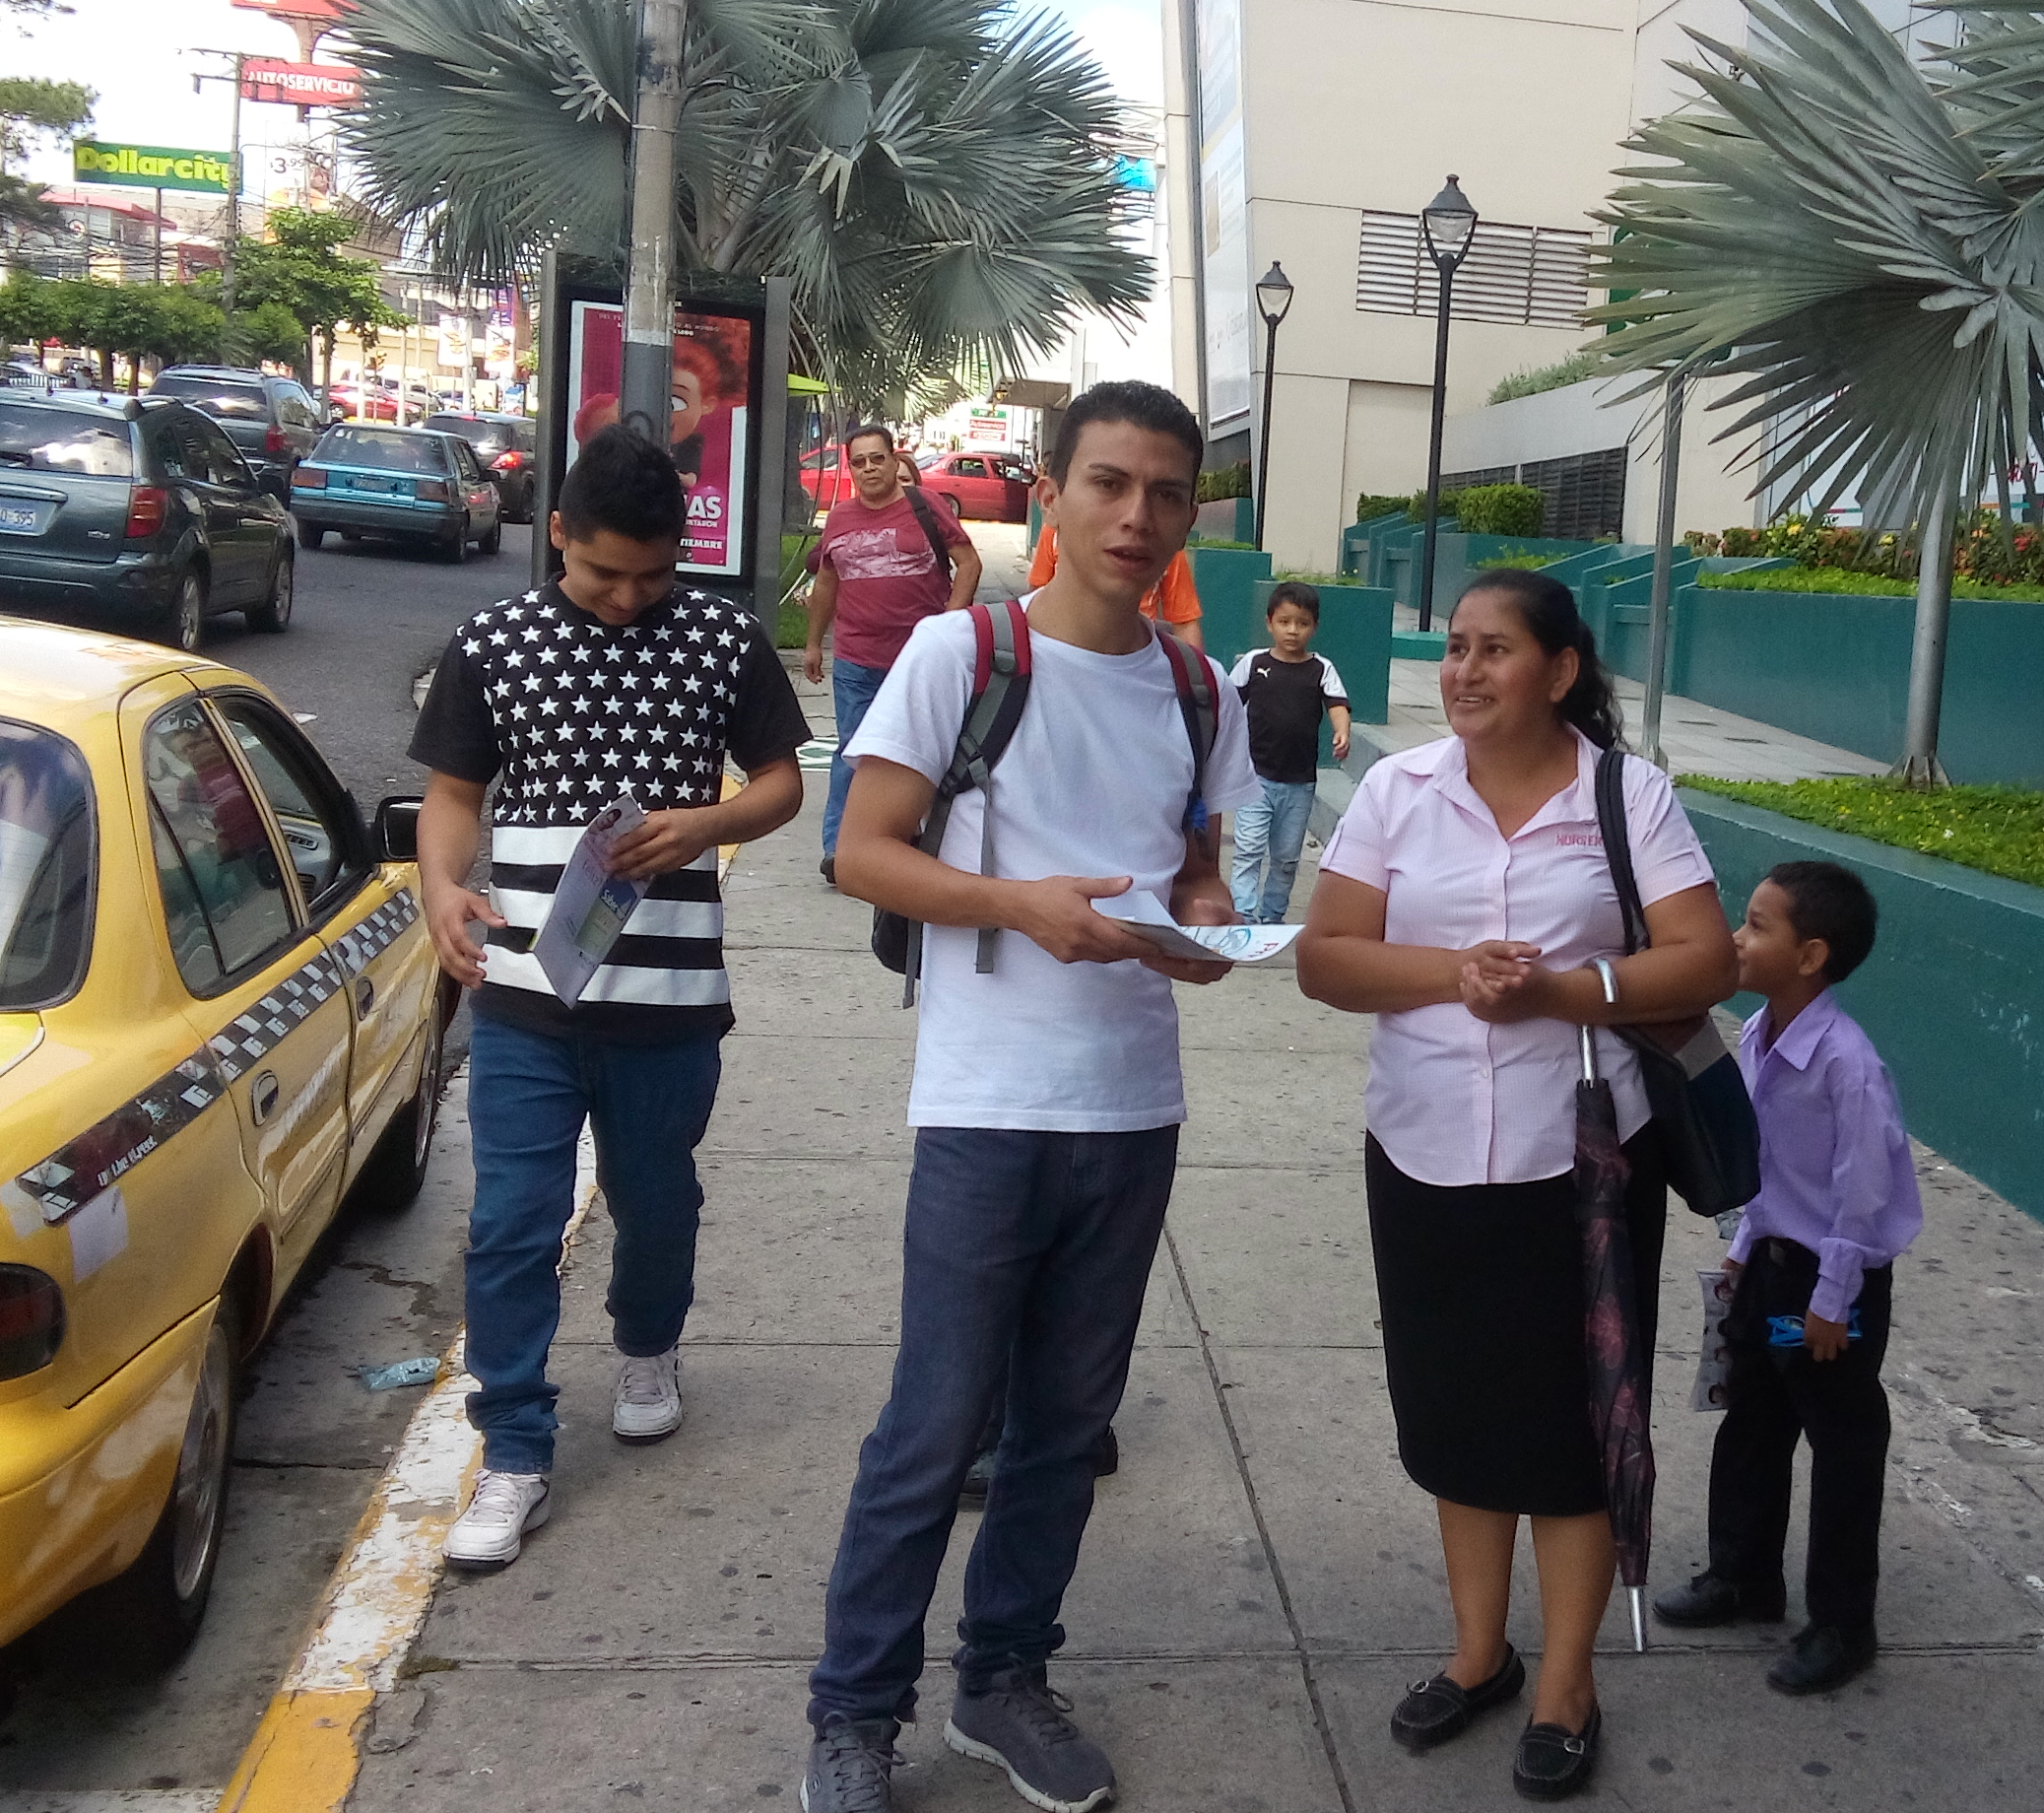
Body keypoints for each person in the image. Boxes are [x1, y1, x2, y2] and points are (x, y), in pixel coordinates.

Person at [802, 379, 1261, 1813]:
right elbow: (863, 853)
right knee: (934, 1426)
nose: (1137, 516)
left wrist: (1206, 922)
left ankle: (1002, 1681)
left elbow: (1197, 866)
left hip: (1133, 1105)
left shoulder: (1197, 686)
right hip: (988, 1103)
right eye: (1108, 483)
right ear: (1049, 492)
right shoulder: (964, 652)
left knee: (1064, 1430)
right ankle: (854, 1712)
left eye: (1166, 493)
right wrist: (1021, 904)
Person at [1294, 568, 1739, 1802]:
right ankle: (1480, 1652)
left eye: (1495, 649)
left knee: (1576, 1422)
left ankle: (1567, 1684)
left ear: (1560, 669)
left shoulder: (1625, 795)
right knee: (1457, 1410)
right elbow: (1326, 960)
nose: (1466, 670)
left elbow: (1705, 960)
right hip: (1424, 1150)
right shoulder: (1400, 789)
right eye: (1456, 648)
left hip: (1581, 1164)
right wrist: (1456, 973)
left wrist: (1561, 991)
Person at [407, 426, 811, 1571]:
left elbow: (782, 782)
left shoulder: (723, 640)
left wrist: (708, 822)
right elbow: (453, 794)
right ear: (558, 535)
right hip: (524, 996)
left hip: (668, 1002)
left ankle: (647, 1343)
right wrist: (442, 886)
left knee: (656, 1199)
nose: (629, 598)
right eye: (602, 573)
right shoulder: (493, 643)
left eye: (653, 574)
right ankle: (514, 1447)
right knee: (510, 1222)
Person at [1651, 861, 1918, 1696]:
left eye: (1756, 926)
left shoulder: (1847, 1064)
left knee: (1843, 1443)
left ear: (1810, 956)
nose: (1735, 938)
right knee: (1755, 1420)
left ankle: (1843, 1622)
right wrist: (1741, 1251)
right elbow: (1769, 1168)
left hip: (1828, 1289)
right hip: (1772, 1272)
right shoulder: (1762, 1033)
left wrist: (1833, 1302)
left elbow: (1863, 1193)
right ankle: (1744, 1575)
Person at [797, 424, 983, 882]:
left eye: (876, 459)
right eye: (858, 462)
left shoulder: (925, 505)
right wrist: (814, 643)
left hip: (920, 661)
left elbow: (969, 563)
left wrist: (948, 625)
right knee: (853, 753)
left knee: (928, 753)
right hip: (857, 659)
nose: (868, 469)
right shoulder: (840, 518)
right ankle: (839, 851)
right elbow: (827, 582)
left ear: (894, 460)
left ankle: (924, 841)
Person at [1224, 580, 1352, 923]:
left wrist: (1342, 730)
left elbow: (1337, 703)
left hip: (1299, 783)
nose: (1293, 630)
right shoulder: (1253, 663)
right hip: (1254, 778)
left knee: (1286, 858)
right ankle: (1243, 916)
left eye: (1302, 623)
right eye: (1284, 622)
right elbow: (1228, 706)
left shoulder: (1321, 668)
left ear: (1315, 627)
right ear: (1269, 623)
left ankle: (1272, 917)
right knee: (1248, 849)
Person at [1028, 517, 1204, 645]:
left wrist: (1197, 680)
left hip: (1135, 658)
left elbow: (1185, 622)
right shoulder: (1055, 532)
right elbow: (1037, 594)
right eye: (1108, 485)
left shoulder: (1163, 549)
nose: (1134, 516)